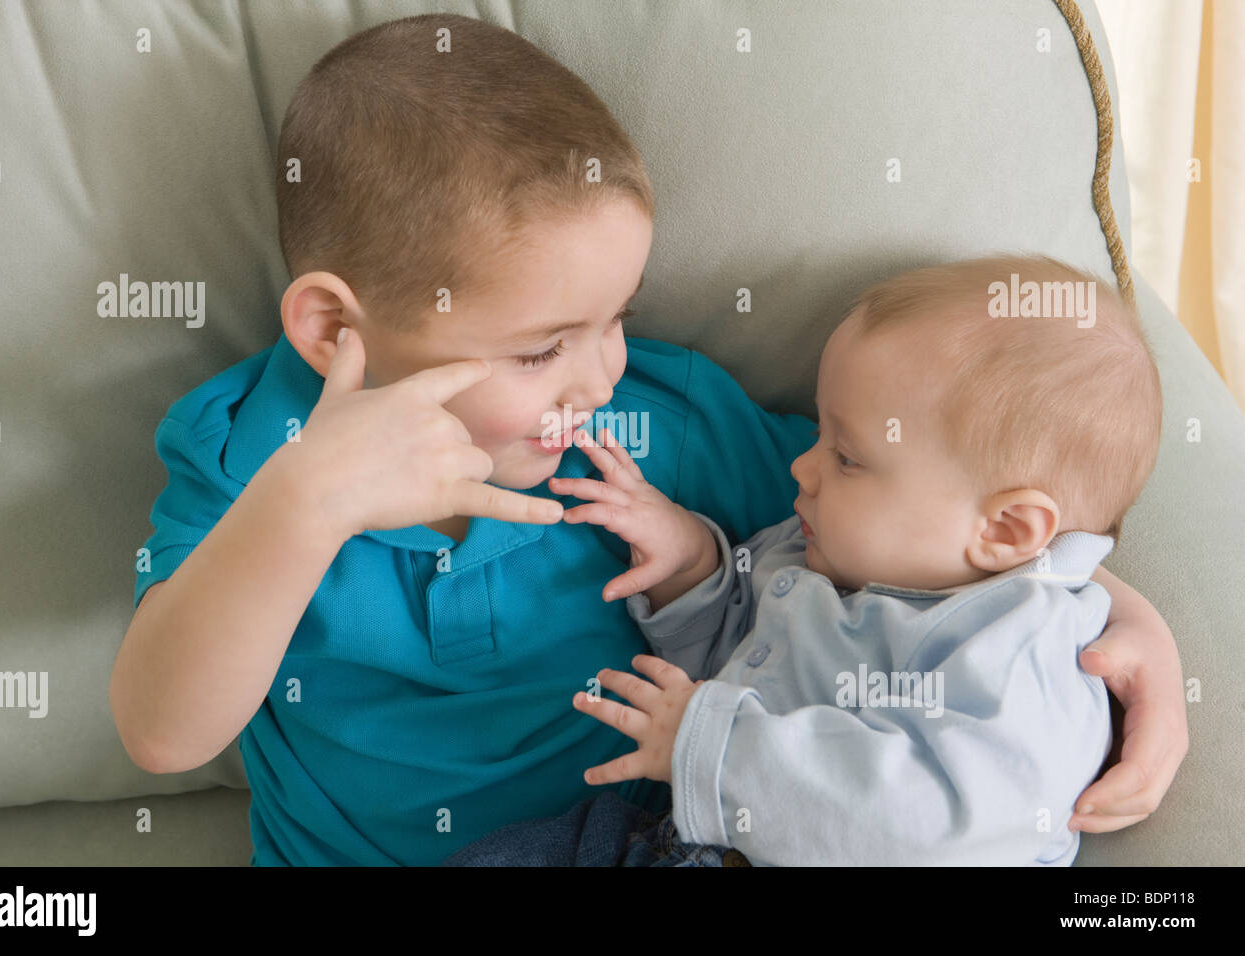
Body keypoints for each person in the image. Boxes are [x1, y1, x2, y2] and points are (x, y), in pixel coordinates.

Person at [110, 15, 1187, 866]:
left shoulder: (654, 423)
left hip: (642, 838)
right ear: (337, 329)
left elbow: (924, 518)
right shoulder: (254, 458)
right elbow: (163, 730)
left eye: (615, 318)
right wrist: (305, 505)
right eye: (542, 349)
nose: (600, 373)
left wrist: (1118, 618)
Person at [443, 255, 1174, 866]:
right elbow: (741, 662)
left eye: (846, 456)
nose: (803, 466)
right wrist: (690, 568)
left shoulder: (1023, 648)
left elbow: (929, 824)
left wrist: (713, 747)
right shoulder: (822, 555)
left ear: (1008, 530)